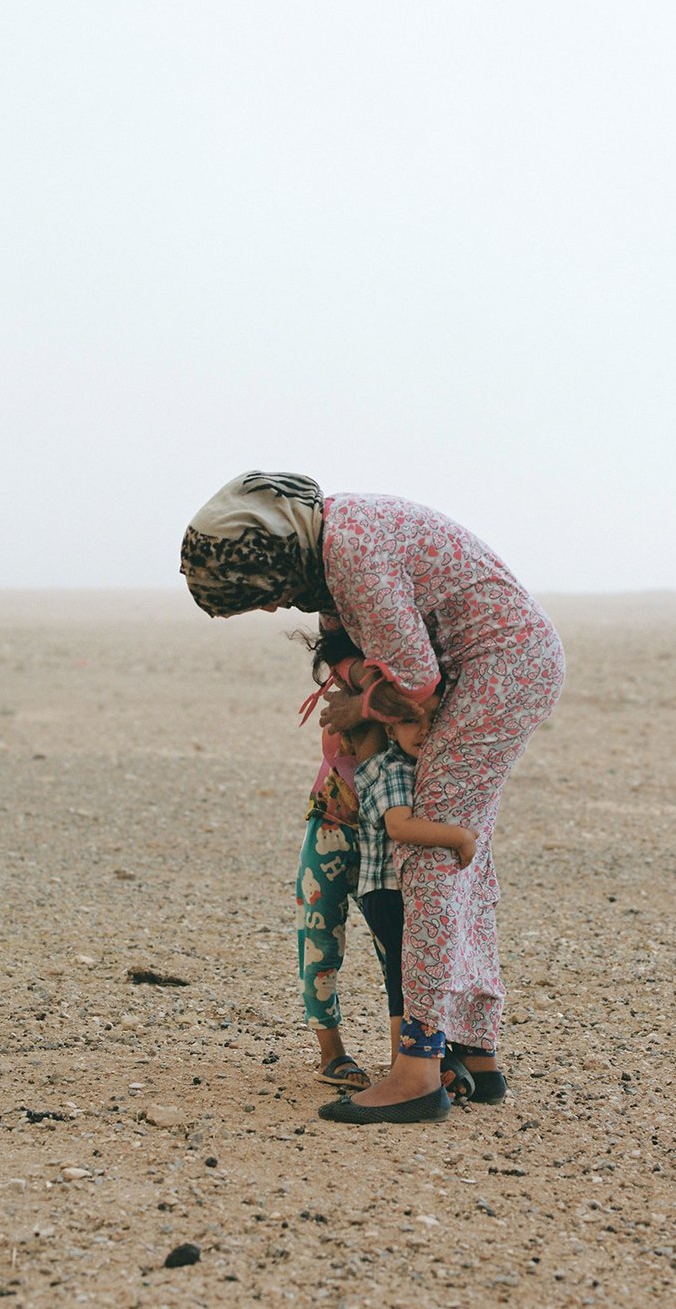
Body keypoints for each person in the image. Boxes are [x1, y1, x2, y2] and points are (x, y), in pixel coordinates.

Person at [181, 471, 565, 1124]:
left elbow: (414, 682)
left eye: (261, 596)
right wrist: (359, 686)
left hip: (498, 673)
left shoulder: (349, 552)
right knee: (459, 862)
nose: (273, 609)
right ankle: (475, 1057)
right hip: (503, 668)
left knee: (429, 858)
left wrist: (352, 705)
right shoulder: (337, 544)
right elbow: (369, 654)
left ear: (275, 557)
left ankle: (417, 1072)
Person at [337, 691, 479, 1121]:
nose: (423, 731)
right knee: (404, 976)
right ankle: (408, 1071)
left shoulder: (409, 765)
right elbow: (400, 826)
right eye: (411, 722)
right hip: (385, 890)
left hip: (390, 889)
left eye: (432, 720)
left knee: (406, 974)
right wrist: (458, 837)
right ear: (389, 727)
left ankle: (428, 1062)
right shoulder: (394, 769)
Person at [293, 624, 379, 1092]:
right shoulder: (350, 674)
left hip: (388, 833)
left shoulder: (402, 679)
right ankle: (332, 1053)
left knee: (398, 947)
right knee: (320, 938)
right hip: (331, 821)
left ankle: (408, 1058)